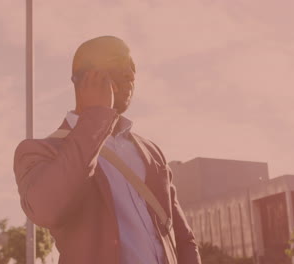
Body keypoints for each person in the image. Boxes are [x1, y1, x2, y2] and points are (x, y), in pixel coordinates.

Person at [13, 36, 201, 264]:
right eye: (120, 65)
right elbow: (46, 209)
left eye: (133, 68)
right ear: (87, 77)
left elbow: (183, 238)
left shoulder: (151, 152)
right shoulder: (38, 151)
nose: (131, 76)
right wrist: (96, 117)